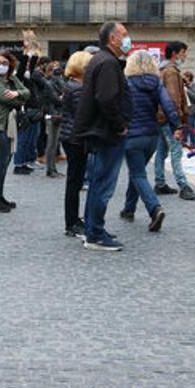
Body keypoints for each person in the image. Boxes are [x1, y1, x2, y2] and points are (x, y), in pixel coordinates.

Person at [74, 21, 133, 252]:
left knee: (98, 183)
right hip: (107, 133)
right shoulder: (107, 63)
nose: (128, 39)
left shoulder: (102, 60)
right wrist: (119, 125)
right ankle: (95, 233)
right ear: (113, 39)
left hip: (100, 131)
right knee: (103, 184)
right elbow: (106, 99)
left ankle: (93, 228)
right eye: (125, 35)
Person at [120, 51, 184, 232]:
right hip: (151, 136)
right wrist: (177, 127)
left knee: (138, 173)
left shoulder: (127, 83)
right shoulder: (156, 82)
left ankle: (155, 209)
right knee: (137, 171)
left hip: (132, 135)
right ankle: (129, 208)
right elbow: (168, 106)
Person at [0, 50, 30, 212]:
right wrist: (18, 98)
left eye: (4, 63)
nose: (1, 65)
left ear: (10, 65)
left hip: (9, 123)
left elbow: (26, 93)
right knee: (0, 161)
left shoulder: (11, 78)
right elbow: (4, 98)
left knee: (6, 160)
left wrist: (17, 92)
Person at [154, 41, 195, 201]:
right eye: (183, 53)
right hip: (170, 118)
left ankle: (159, 183)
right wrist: (178, 122)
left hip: (161, 118)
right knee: (176, 150)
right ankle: (183, 185)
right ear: (175, 54)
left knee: (161, 151)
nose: (184, 56)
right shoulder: (171, 72)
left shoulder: (162, 69)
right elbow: (173, 99)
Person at [59, 51, 93, 238]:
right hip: (75, 138)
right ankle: (71, 222)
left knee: (75, 180)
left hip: (70, 136)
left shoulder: (71, 85)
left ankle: (72, 220)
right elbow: (83, 114)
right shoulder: (78, 88)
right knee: (74, 181)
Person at [42, 60, 66, 178]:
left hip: (55, 114)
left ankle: (53, 168)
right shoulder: (49, 83)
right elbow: (56, 99)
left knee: (54, 143)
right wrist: (62, 97)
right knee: (51, 143)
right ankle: (50, 169)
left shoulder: (56, 82)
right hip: (52, 115)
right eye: (55, 68)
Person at [183, 71, 195, 146]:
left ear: (189, 78)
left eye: (186, 77)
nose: (185, 79)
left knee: (191, 125)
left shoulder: (194, 85)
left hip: (192, 109)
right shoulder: (183, 85)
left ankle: (193, 142)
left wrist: (187, 91)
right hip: (184, 109)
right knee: (184, 126)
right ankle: (184, 140)